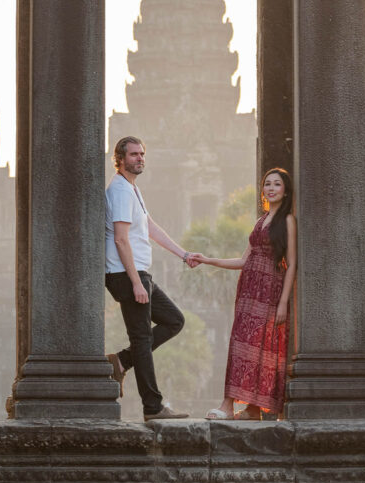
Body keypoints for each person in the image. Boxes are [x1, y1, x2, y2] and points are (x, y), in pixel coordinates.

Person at [104, 136, 201, 421]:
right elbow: (121, 240)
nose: (139, 158)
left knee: (174, 320)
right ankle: (153, 407)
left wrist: (183, 254)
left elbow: (149, 227)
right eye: (133, 154)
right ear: (120, 159)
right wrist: (135, 282)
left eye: (142, 153)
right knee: (142, 338)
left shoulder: (132, 189)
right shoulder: (120, 190)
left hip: (138, 273)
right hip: (126, 274)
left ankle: (121, 361)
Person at [192, 168, 297, 420]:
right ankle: (246, 408)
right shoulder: (260, 221)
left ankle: (240, 407)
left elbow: (292, 263)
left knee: (263, 349)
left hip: (271, 290)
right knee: (241, 345)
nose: (271, 188)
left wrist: (283, 302)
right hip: (249, 289)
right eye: (267, 184)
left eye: (277, 184)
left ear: (285, 190)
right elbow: (243, 260)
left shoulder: (288, 221)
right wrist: (208, 260)